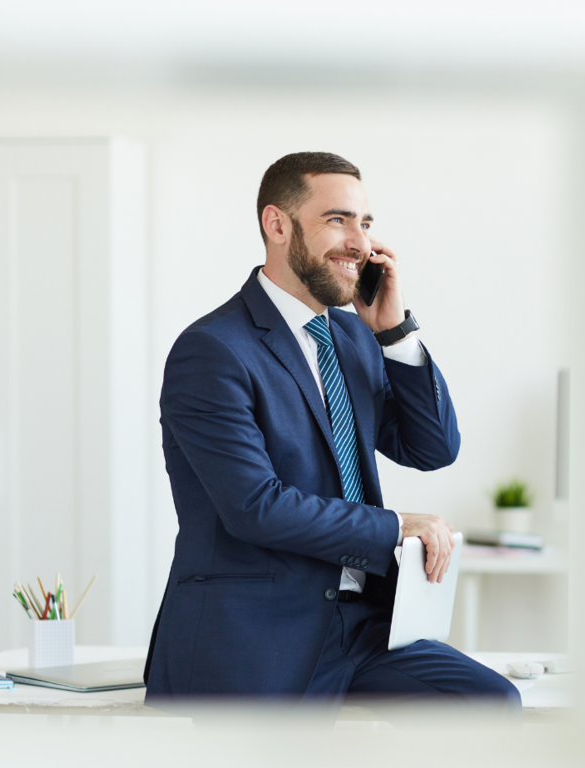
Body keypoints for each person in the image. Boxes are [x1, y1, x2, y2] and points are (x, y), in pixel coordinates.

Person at [144, 151, 519, 717]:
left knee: (489, 703)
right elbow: (254, 506)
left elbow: (433, 448)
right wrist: (395, 526)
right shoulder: (214, 351)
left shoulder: (351, 338)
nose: (360, 243)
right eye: (338, 220)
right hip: (256, 634)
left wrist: (395, 334)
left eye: (365, 224)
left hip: (363, 630)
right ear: (277, 225)